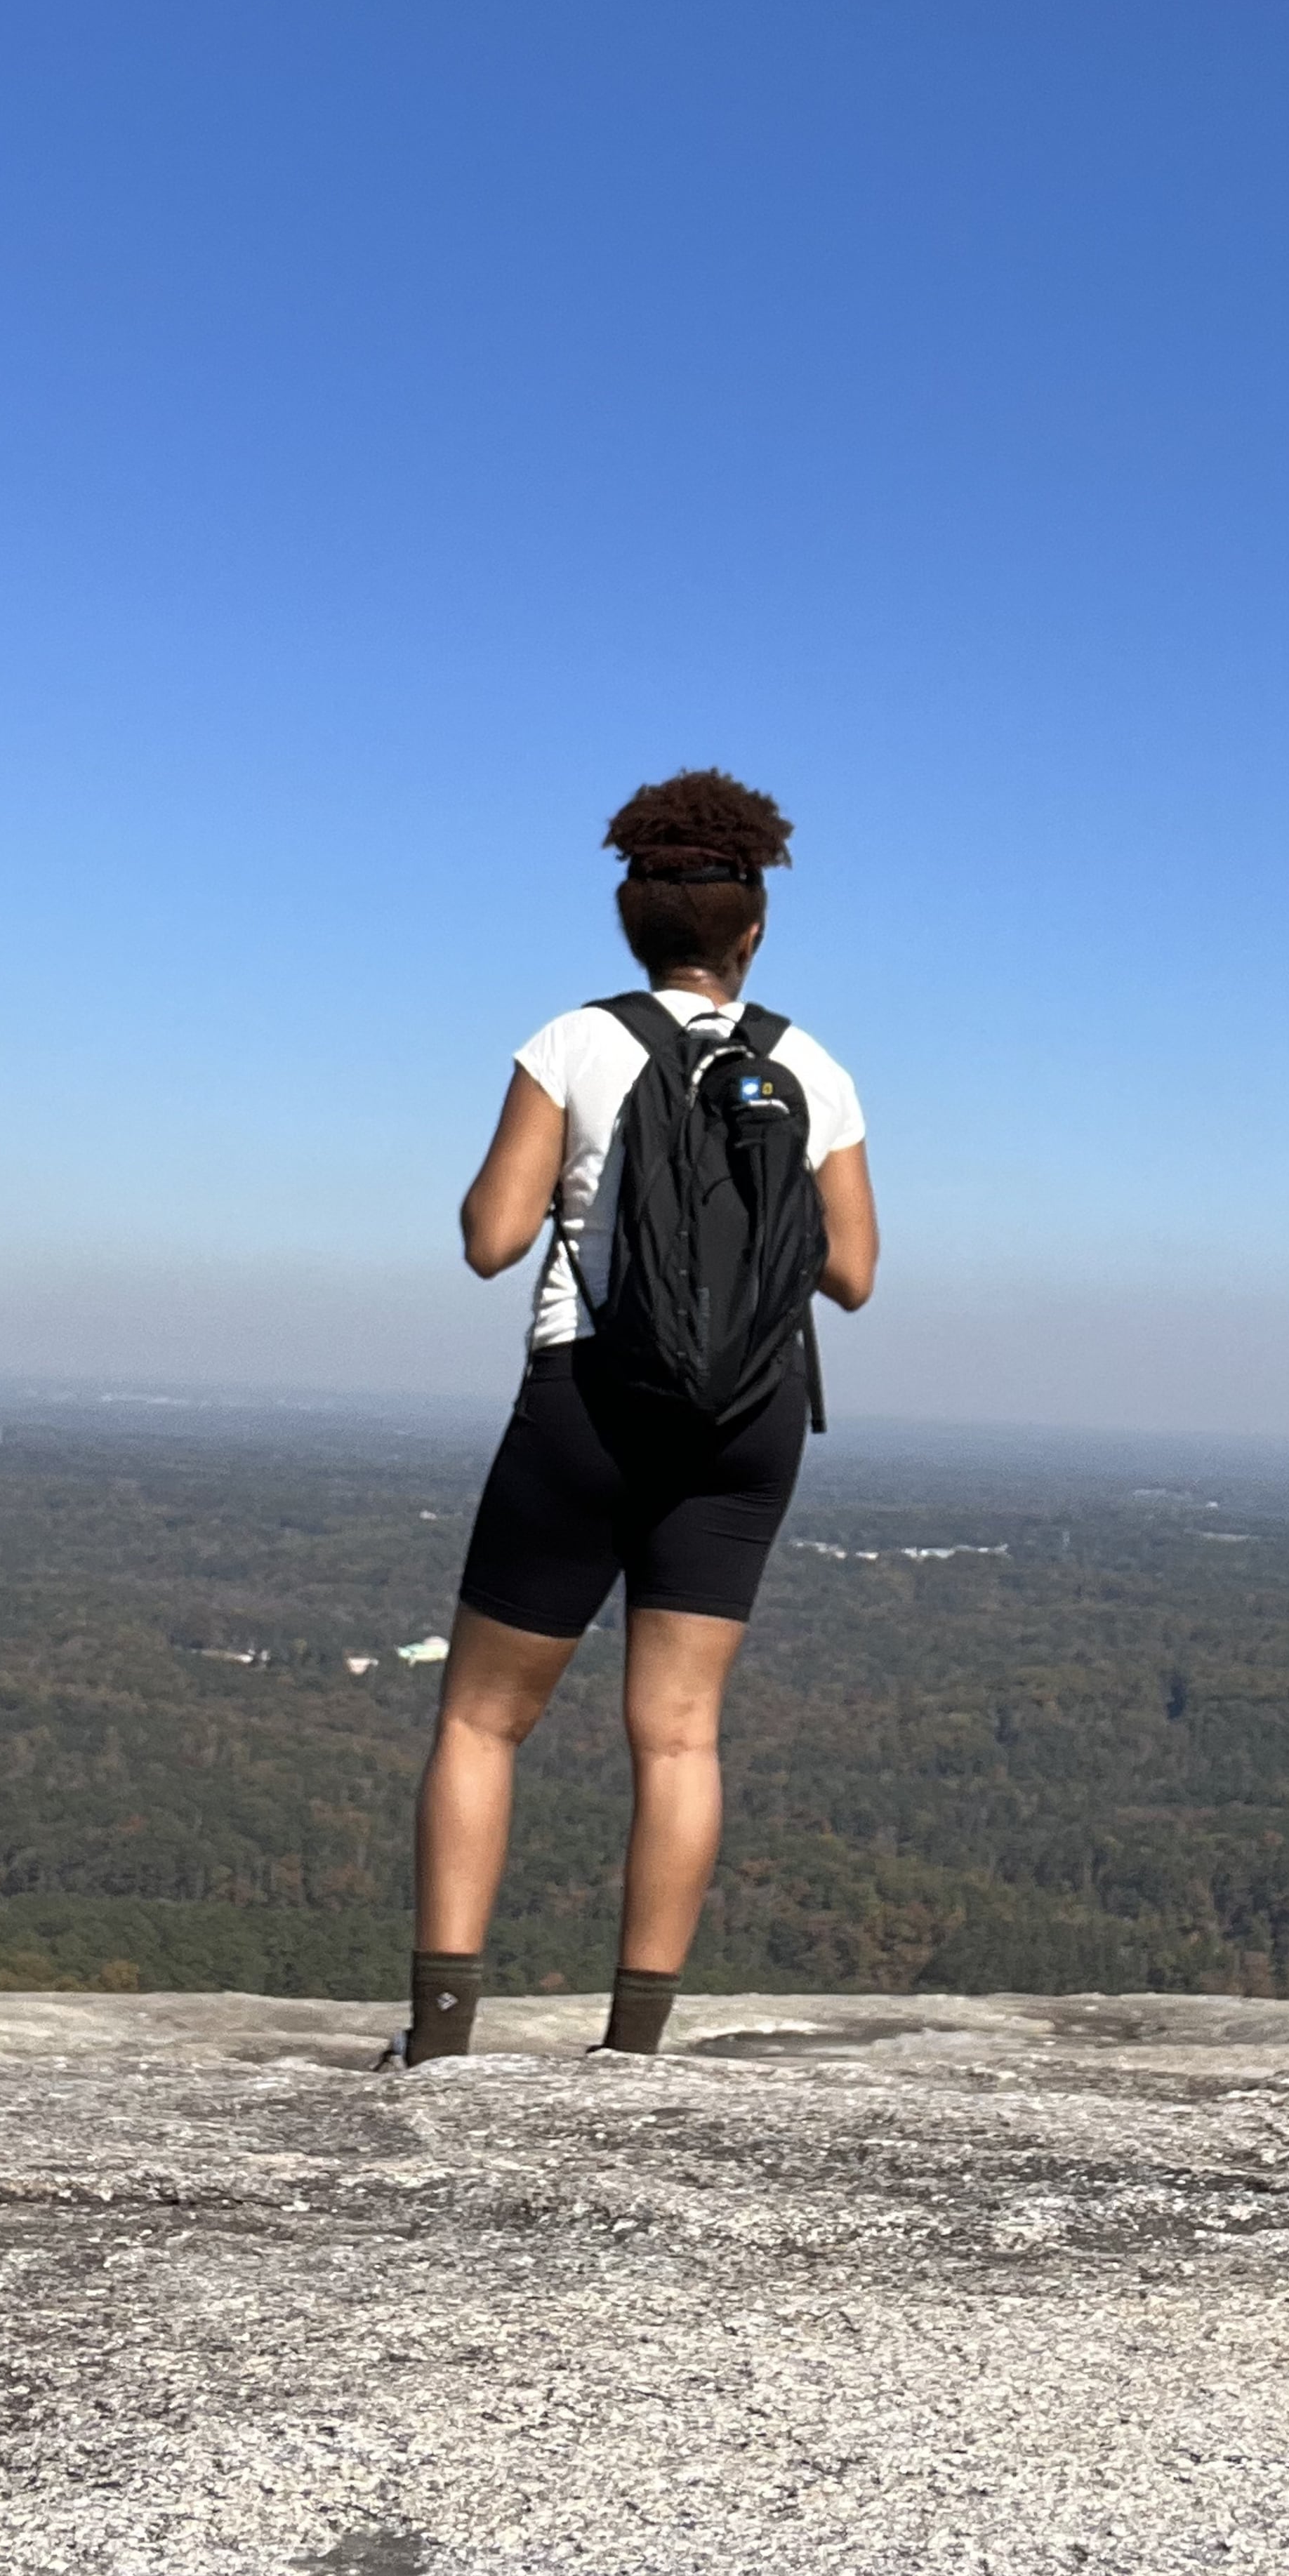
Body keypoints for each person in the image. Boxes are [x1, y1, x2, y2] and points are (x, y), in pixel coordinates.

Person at [402, 769, 877, 2067]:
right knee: (677, 1736)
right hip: (754, 1416)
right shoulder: (812, 1068)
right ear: (754, 928)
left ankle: (442, 2042)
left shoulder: (574, 1043)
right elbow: (854, 1274)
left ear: (630, 918)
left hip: (590, 1400)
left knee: (484, 1719)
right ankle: (635, 2051)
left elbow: (492, 1241)